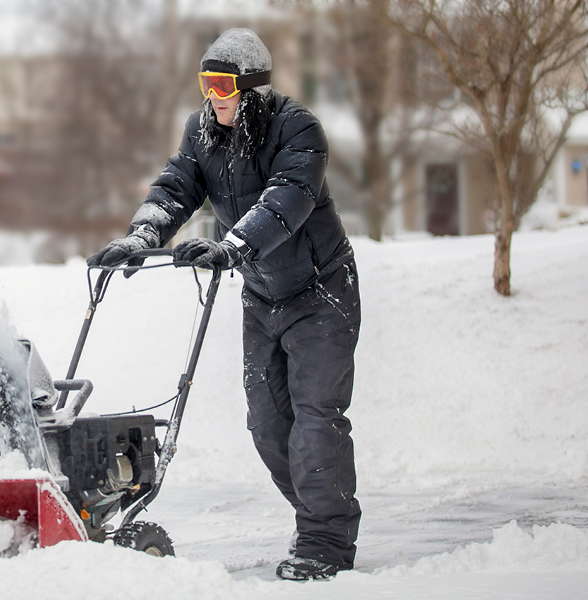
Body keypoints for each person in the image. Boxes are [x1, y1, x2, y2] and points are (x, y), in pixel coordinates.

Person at [87, 28, 361, 581]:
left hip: (321, 290)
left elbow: (287, 200)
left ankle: (326, 542)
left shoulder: (298, 129)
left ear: (253, 87)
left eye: (222, 85)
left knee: (315, 419)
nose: (212, 96)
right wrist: (142, 238)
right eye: (205, 84)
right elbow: (176, 186)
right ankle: (317, 517)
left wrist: (232, 246)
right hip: (262, 295)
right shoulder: (203, 131)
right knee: (266, 423)